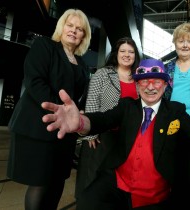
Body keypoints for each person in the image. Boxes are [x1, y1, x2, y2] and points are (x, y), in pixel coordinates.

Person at [41, 58, 190, 210]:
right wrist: (80, 122)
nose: (150, 85)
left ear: (166, 85)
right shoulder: (126, 107)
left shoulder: (175, 111)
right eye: (144, 81)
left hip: (157, 198)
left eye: (157, 81)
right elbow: (101, 120)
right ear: (137, 85)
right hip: (115, 189)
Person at [7, 8, 92, 210]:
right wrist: (64, 110)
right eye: (70, 25)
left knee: (57, 182)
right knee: (41, 183)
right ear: (62, 27)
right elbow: (35, 82)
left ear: (84, 36)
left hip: (64, 133)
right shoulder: (44, 46)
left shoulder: (81, 63)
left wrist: (76, 113)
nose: (73, 31)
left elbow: (77, 97)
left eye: (79, 29)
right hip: (40, 126)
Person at [75, 37, 141, 198]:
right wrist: (91, 132)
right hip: (103, 136)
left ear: (135, 56)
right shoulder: (103, 73)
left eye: (131, 52)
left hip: (128, 138)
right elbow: (92, 100)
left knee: (121, 183)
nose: (127, 55)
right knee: (95, 180)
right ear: (116, 54)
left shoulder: (139, 78)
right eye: (123, 51)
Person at [162, 22, 190, 209]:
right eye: (181, 41)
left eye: (189, 41)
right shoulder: (167, 67)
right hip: (172, 118)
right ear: (175, 43)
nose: (185, 45)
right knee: (173, 161)